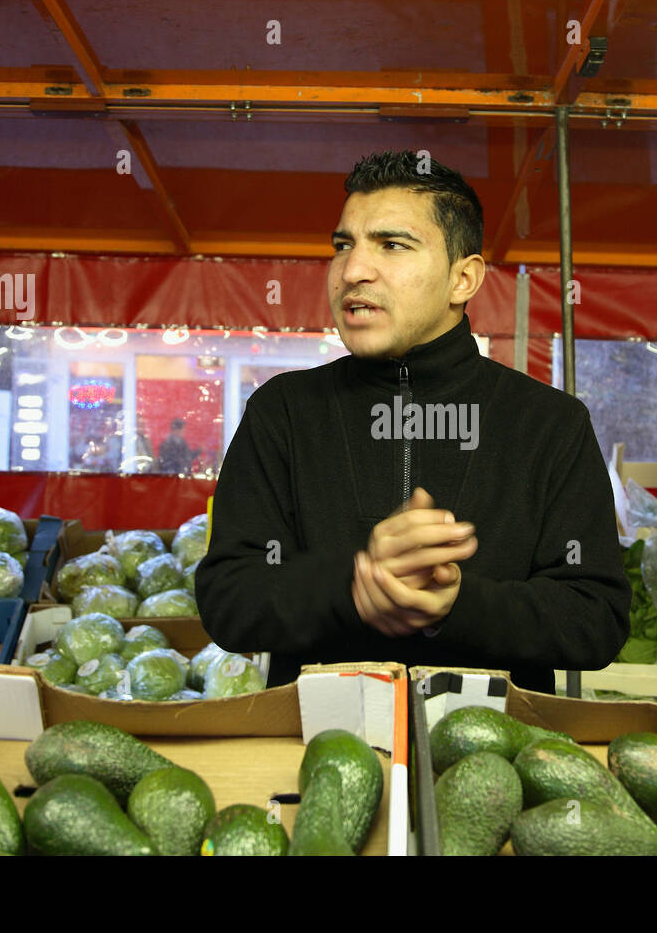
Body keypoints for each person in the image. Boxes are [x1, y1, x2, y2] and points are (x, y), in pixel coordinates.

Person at [195, 150, 629, 691]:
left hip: (496, 757)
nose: (353, 271)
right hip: (321, 751)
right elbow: (228, 599)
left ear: (462, 279)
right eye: (343, 246)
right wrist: (352, 588)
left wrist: (457, 605)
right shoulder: (281, 411)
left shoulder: (550, 424)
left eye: (392, 244)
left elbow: (596, 618)